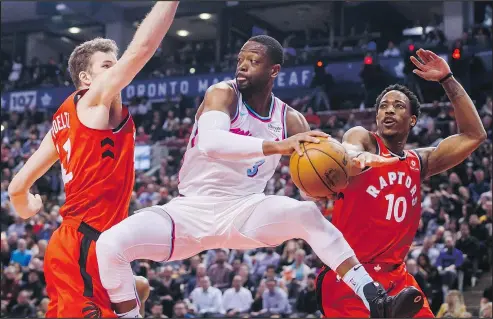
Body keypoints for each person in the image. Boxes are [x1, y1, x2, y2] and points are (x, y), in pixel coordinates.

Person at [96, 35, 423, 318]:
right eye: (241, 59)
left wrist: (354, 162)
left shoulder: (290, 119)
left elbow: (321, 172)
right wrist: (278, 146)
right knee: (109, 244)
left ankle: (374, 298)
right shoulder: (221, 94)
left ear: (273, 71)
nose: (243, 65)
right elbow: (211, 143)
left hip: (244, 211)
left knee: (306, 213)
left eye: (253, 61)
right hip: (187, 212)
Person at [7, 2, 180, 317]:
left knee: (133, 292)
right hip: (84, 242)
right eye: (107, 65)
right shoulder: (92, 100)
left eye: (115, 64)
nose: (115, 70)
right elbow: (142, 48)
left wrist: (28, 207)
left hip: (87, 243)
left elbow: (17, 188)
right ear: (85, 79)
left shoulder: (62, 123)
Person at [316, 49, 487, 317]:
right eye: (383, 106)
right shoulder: (365, 140)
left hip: (397, 278)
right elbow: (349, 148)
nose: (388, 111)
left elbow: (474, 135)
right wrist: (354, 158)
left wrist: (448, 80)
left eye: (398, 106)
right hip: (350, 276)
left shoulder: (419, 163)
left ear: (413, 120)